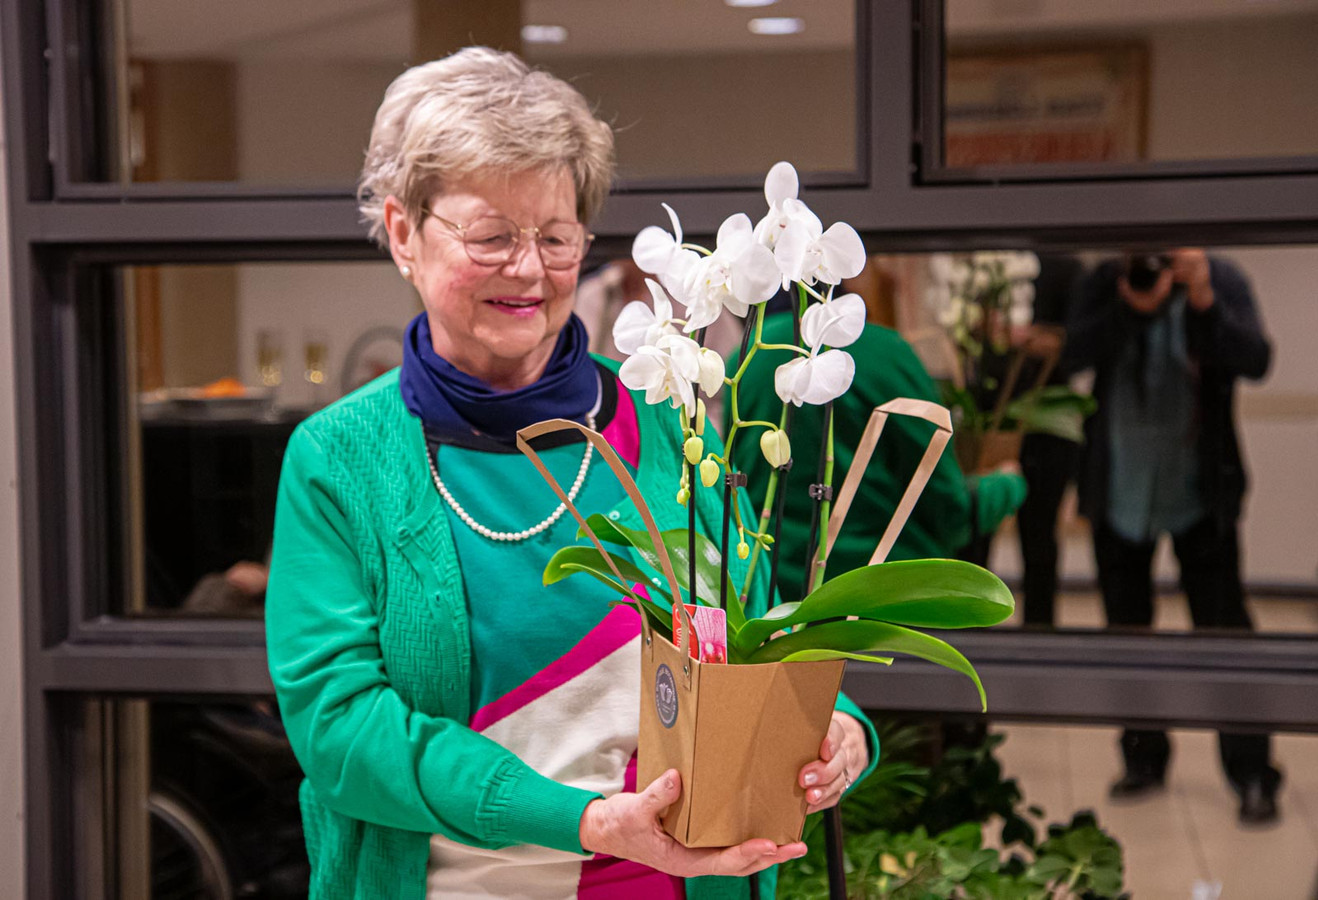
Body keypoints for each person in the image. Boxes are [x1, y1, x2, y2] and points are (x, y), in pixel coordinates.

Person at [265, 47, 878, 899]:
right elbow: (341, 731)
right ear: (404, 232)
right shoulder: (341, 460)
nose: (530, 269)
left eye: (556, 236)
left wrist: (836, 727)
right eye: (491, 237)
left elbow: (754, 630)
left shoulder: (668, 419)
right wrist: (582, 821)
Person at [1065, 248, 1280, 825]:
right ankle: (1143, 759)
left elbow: (1256, 360)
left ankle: (1253, 774)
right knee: (1126, 633)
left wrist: (1204, 299)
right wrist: (1128, 307)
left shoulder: (1221, 276)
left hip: (1199, 495)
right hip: (1119, 492)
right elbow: (1070, 353)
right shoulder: (1107, 280)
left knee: (1226, 636)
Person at [727, 307, 1027, 605]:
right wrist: (1008, 483)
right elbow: (951, 512)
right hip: (883, 596)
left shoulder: (751, 351)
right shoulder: (888, 354)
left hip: (766, 595)